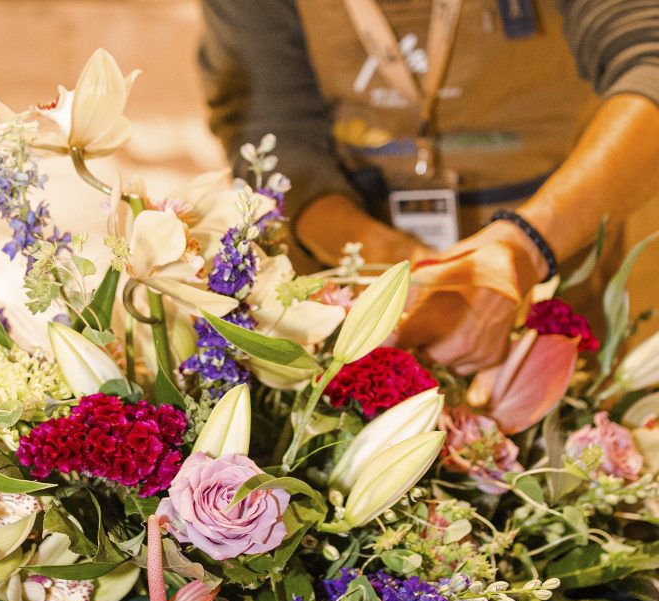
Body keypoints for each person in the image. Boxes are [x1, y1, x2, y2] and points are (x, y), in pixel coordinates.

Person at [198, 0, 659, 373]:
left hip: (571, 260)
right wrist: (388, 263)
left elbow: (649, 62)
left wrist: (525, 249)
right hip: (342, 287)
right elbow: (271, 124)